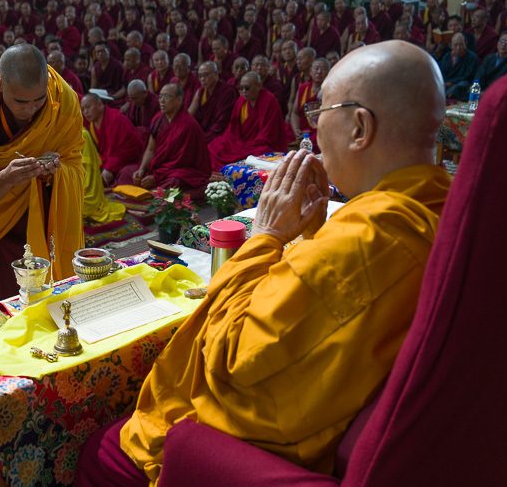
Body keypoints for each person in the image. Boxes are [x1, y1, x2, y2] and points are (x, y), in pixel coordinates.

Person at [77, 40, 452, 486]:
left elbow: (230, 357)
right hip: (333, 407)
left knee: (102, 451)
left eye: (320, 115)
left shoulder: (371, 234)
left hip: (252, 440)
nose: (312, 134)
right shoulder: (440, 207)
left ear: (358, 128)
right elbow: (332, 306)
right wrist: (313, 236)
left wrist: (266, 235)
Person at [0, 44, 85, 308]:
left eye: (38, 100)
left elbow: (73, 162)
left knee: (43, 298)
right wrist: (7, 178)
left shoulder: (62, 99)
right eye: (20, 101)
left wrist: (56, 172)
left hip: (40, 212)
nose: (30, 109)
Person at [116, 83, 211, 192]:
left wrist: (156, 178)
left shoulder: (188, 126)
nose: (161, 100)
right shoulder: (157, 120)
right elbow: (151, 149)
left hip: (179, 171)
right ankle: (153, 193)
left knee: (174, 184)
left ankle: (161, 197)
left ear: (179, 100)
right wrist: (141, 169)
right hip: (158, 169)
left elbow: (181, 162)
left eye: (167, 96)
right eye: (160, 96)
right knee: (125, 172)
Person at [209, 71, 286, 167]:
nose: (244, 91)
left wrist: (251, 144)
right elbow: (233, 127)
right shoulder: (240, 101)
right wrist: (236, 142)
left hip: (260, 142)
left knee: (262, 152)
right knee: (214, 146)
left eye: (247, 88)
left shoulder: (269, 100)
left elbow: (270, 132)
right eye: (241, 88)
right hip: (240, 141)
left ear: (259, 86)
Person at [81, 92, 144, 187]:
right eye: (83, 109)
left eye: (88, 107)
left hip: (128, 156)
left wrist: (108, 168)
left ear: (100, 104)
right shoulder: (92, 124)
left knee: (107, 175)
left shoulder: (115, 119)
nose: (85, 112)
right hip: (110, 157)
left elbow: (121, 152)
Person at [188, 60, 237, 142]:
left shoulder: (228, 92)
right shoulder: (200, 92)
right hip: (203, 130)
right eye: (200, 76)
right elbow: (189, 115)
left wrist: (204, 137)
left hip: (219, 132)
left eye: (206, 75)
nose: (202, 79)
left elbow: (223, 122)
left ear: (216, 74)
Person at [437, 33, 479, 101]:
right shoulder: (446, 57)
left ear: (465, 44)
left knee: (461, 86)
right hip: (447, 84)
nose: (458, 48)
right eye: (455, 45)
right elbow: (441, 72)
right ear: (451, 46)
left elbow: (468, 76)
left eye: (461, 44)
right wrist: (444, 83)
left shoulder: (472, 57)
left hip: (462, 83)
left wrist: (452, 82)